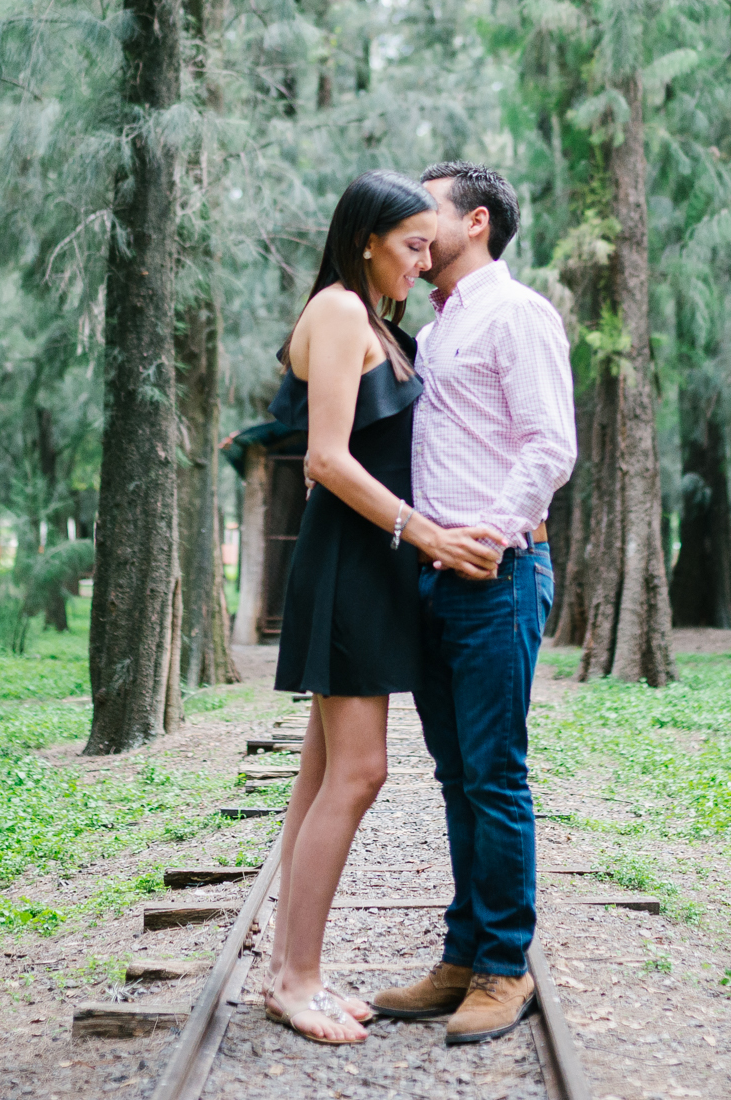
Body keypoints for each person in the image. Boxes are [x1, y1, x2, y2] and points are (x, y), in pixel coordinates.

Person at [263, 170, 505, 1046]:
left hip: (371, 564)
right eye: (410, 245)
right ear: (366, 238)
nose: (423, 258)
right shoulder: (336, 310)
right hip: (350, 567)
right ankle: (297, 979)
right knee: (359, 774)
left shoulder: (375, 322)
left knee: (322, 777)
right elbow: (325, 458)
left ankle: (290, 969)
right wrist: (428, 534)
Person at [370, 161, 576, 1045]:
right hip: (434, 579)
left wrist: (483, 538)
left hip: (496, 575)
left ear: (479, 222)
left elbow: (549, 447)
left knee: (495, 775)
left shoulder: (516, 313)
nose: (418, 224)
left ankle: (503, 969)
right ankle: (461, 956)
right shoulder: (439, 324)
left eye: (433, 210)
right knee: (457, 777)